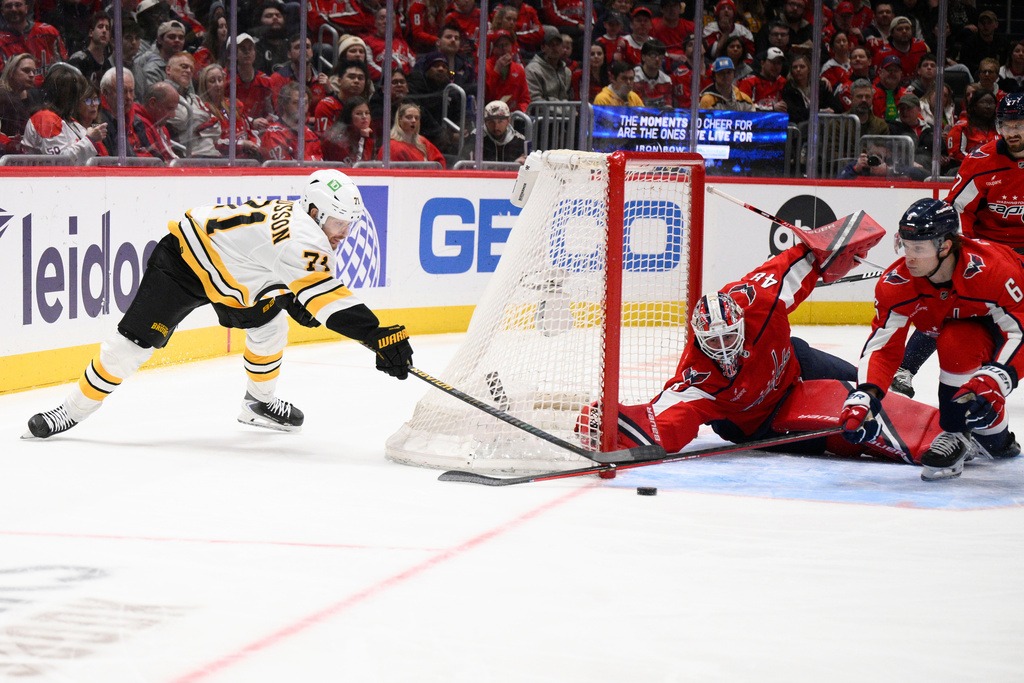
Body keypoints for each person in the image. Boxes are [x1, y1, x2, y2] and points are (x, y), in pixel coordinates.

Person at [25, 170, 414, 439]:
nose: (344, 233)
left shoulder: (301, 220)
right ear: (316, 212)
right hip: (184, 264)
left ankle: (258, 405)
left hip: (233, 273)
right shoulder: (304, 238)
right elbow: (331, 304)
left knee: (271, 325)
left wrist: (289, 295)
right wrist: (377, 336)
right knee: (129, 348)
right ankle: (69, 411)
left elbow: (272, 261)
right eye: (339, 223)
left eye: (349, 224)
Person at [577, 240, 941, 466]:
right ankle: (925, 443)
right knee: (849, 435)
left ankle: (945, 426)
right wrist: (605, 428)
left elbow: (798, 262)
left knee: (873, 393)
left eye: (728, 337)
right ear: (698, 339)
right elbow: (658, 424)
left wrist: (835, 244)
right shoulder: (697, 381)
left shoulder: (759, 302)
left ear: (739, 323)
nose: (722, 349)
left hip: (797, 364)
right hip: (761, 421)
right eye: (712, 342)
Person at [840, 199, 1023, 481]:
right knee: (956, 342)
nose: (908, 257)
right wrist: (867, 393)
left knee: (985, 381)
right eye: (905, 245)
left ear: (945, 246)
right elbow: (883, 346)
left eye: (918, 248)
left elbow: (1019, 332)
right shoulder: (895, 284)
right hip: (972, 329)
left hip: (1011, 323)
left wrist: (999, 377)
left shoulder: (993, 270)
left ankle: (987, 432)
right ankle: (967, 435)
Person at [891, 94, 1024, 398]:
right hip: (987, 247)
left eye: (1020, 125)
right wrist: (964, 250)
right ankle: (905, 369)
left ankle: (996, 371)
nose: (1012, 132)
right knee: (950, 300)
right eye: (1006, 125)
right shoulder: (981, 161)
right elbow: (955, 209)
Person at [21, 65, 106, 164]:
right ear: (68, 96)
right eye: (77, 95)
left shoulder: (70, 121)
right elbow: (58, 162)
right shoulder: (45, 119)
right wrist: (90, 139)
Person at [0, 0, 66, 85]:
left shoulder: (49, 32)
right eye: (9, 6)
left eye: (18, 5)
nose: (14, 9)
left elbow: (65, 66)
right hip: (18, 94)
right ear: (2, 11)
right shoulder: (1, 41)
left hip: (52, 90)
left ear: (26, 8)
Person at [260, 80, 322, 161]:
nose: (301, 107)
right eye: (296, 102)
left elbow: (319, 166)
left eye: (305, 103)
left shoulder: (311, 135)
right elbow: (284, 170)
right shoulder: (274, 135)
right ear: (284, 104)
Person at [379, 101, 446, 167]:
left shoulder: (422, 141)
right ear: (399, 119)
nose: (414, 121)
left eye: (417, 118)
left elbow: (440, 161)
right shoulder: (392, 147)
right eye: (409, 117)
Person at [460, 99, 527, 164]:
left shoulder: (519, 141)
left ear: (508, 121)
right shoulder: (475, 139)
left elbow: (529, 168)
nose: (496, 127)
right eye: (491, 122)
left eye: (500, 122)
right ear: (485, 122)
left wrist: (519, 165)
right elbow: (464, 165)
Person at [133, 20, 186, 101]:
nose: (177, 40)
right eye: (172, 37)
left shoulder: (185, 66)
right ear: (160, 40)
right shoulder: (152, 69)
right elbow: (153, 101)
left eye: (181, 38)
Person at [0, 52, 41, 152]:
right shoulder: (2, 96)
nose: (32, 75)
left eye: (34, 72)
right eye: (26, 71)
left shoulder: (35, 96)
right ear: (12, 72)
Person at [945, 89, 998, 166]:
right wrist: (982, 162)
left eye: (992, 103)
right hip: (967, 168)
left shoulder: (1000, 128)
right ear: (974, 106)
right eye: (983, 102)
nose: (988, 107)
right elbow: (956, 154)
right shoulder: (961, 127)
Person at [484, 28, 530, 113]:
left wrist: (520, 111)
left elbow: (525, 99)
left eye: (507, 44)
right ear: (494, 48)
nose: (504, 49)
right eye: (500, 45)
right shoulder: (485, 67)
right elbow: (485, 97)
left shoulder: (519, 69)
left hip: (514, 116)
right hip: (491, 115)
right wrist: (496, 71)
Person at [321, 94, 375, 164]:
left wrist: (365, 138)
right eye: (358, 114)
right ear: (349, 116)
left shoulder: (368, 134)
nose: (364, 117)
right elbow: (356, 166)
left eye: (367, 113)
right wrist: (364, 138)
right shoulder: (337, 139)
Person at [66, 11, 113, 88]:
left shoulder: (107, 65)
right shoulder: (78, 60)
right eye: (100, 26)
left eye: (107, 28)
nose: (104, 31)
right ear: (91, 32)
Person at [525, 26, 571, 102]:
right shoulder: (532, 70)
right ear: (543, 48)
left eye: (558, 44)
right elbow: (535, 101)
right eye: (551, 44)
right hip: (540, 113)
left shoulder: (567, 71)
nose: (555, 48)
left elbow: (566, 97)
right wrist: (562, 110)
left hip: (563, 112)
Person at [737, 45, 787, 112]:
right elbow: (743, 107)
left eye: (779, 63)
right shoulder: (748, 82)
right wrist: (771, 107)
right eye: (772, 62)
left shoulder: (783, 82)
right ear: (762, 63)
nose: (776, 66)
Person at [632, 39, 673, 109]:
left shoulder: (666, 80)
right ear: (643, 57)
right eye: (653, 55)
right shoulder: (634, 78)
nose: (657, 59)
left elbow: (668, 105)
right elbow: (635, 106)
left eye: (660, 56)